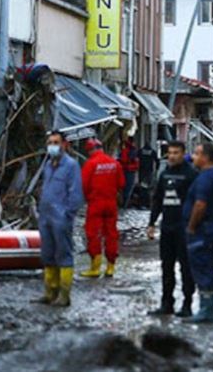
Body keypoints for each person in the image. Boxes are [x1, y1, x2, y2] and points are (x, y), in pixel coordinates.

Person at [147, 140, 198, 317]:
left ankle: (187, 304)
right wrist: (152, 223)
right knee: (166, 267)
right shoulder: (165, 174)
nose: (172, 156)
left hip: (184, 228)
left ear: (183, 153)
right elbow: (157, 200)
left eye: (176, 153)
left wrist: (194, 226)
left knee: (186, 267)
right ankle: (166, 303)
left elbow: (198, 203)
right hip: (167, 227)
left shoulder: (191, 174)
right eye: (170, 153)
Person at [34, 131, 84, 307]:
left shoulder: (71, 166)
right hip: (46, 216)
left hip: (61, 217)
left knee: (63, 254)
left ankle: (64, 294)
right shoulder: (48, 165)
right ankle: (50, 292)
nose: (52, 146)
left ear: (65, 145)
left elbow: (76, 194)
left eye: (56, 142)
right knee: (48, 255)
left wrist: (67, 215)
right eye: (49, 143)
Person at [183, 143, 213, 324]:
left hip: (203, 230)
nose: (193, 157)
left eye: (197, 153)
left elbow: (200, 205)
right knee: (209, 268)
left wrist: (191, 226)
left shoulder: (205, 178)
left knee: (202, 268)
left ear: (206, 157)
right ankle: (210, 308)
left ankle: (206, 310)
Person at [80, 138, 125, 278]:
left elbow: (83, 185)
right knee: (111, 234)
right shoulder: (114, 163)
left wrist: (88, 198)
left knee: (93, 234)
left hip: (95, 204)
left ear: (90, 150)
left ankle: (95, 267)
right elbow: (121, 183)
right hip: (111, 204)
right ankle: (111, 267)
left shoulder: (90, 164)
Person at [119, 137, 140, 209]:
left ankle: (123, 204)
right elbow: (136, 164)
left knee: (124, 188)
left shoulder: (125, 151)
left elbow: (122, 161)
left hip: (124, 171)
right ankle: (124, 204)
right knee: (128, 189)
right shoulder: (133, 151)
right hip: (129, 172)